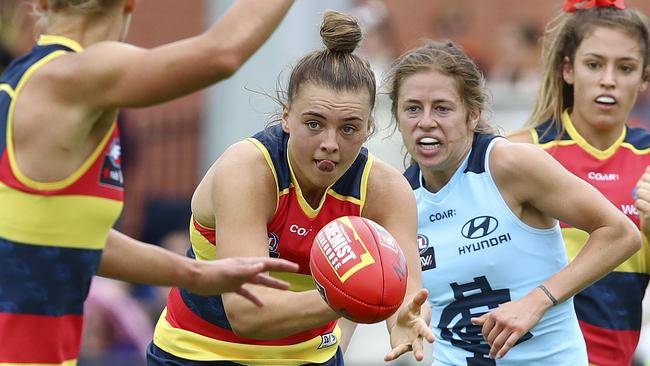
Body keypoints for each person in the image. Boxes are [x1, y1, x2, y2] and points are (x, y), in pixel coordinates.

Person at [0, 1, 303, 365]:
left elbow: (72, 234)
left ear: (44, 3)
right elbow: (221, 52)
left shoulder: (25, 82)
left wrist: (194, 273)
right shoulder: (78, 74)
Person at [148, 10, 434, 366]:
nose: (330, 142)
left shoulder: (385, 190)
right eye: (314, 123)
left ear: (369, 128)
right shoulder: (249, 170)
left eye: (348, 128)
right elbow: (247, 314)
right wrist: (355, 296)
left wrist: (406, 318)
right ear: (286, 117)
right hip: (198, 353)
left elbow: (406, 296)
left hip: (310, 358)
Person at [384, 39, 641, 365]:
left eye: (442, 108)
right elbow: (407, 298)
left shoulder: (507, 165)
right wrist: (401, 321)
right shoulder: (399, 198)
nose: (426, 121)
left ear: (473, 114)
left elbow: (620, 233)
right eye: (412, 108)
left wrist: (537, 300)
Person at [507, 0, 650, 364]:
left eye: (626, 68)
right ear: (568, 70)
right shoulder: (521, 152)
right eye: (594, 64)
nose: (609, 79)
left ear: (645, 78)